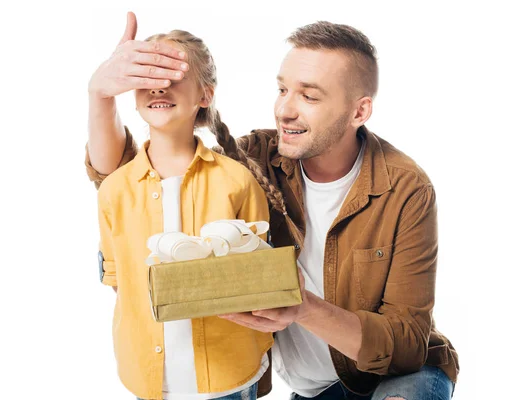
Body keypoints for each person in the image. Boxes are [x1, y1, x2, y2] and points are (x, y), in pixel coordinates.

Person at [87, 12, 459, 400]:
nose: (285, 110)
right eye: (283, 89)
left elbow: (408, 345)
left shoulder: (405, 188)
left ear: (359, 112)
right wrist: (101, 95)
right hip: (309, 390)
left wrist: (301, 307)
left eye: (309, 96)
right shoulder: (254, 160)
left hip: (391, 378)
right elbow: (140, 180)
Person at [91, 17, 300, 400]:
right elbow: (120, 282)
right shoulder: (116, 190)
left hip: (230, 374)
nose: (158, 85)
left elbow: (257, 277)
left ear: (205, 95)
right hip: (149, 376)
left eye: (172, 75)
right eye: (148, 76)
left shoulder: (236, 181)